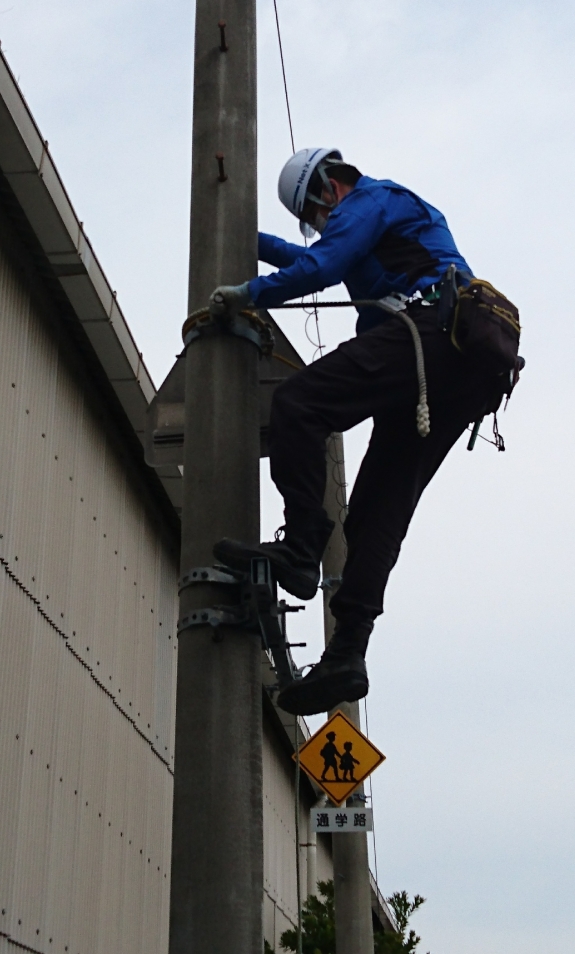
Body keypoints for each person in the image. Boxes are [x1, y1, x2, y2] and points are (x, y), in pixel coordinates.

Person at [211, 147, 516, 716]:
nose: (322, 226)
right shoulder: (383, 226)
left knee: (300, 403)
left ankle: (301, 546)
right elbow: (310, 257)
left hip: (430, 330)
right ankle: (348, 652)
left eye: (317, 215)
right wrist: (234, 233)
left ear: (328, 187)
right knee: (377, 512)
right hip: (462, 368)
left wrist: (248, 295)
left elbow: (321, 266)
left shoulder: (373, 199)